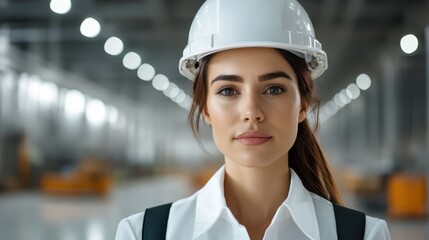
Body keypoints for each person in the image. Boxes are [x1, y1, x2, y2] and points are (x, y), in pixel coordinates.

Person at [115, 0, 391, 239]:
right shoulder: (142, 233)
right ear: (206, 109)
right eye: (228, 91)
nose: (251, 111)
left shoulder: (365, 235)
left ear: (303, 105)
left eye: (274, 89)